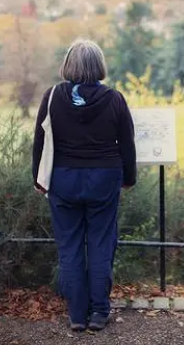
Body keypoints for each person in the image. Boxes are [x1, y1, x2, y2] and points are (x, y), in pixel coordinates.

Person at [32, 39, 137, 332]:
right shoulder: (114, 98)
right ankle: (99, 313)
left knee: (70, 247)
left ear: (69, 65)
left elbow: (39, 143)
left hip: (63, 179)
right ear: (99, 66)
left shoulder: (52, 96)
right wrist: (129, 178)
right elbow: (127, 144)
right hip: (104, 179)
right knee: (102, 244)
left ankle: (77, 316)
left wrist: (38, 181)